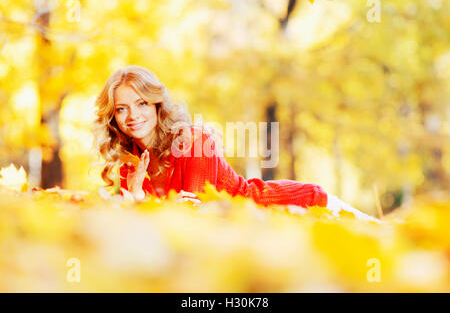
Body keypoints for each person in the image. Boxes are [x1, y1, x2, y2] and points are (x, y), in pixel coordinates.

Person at [93, 65, 378, 221]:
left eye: (141, 103)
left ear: (156, 105)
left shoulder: (192, 140)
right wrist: (138, 198)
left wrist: (140, 203)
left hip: (305, 205)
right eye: (121, 108)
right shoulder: (130, 164)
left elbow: (195, 218)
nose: (133, 115)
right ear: (113, 115)